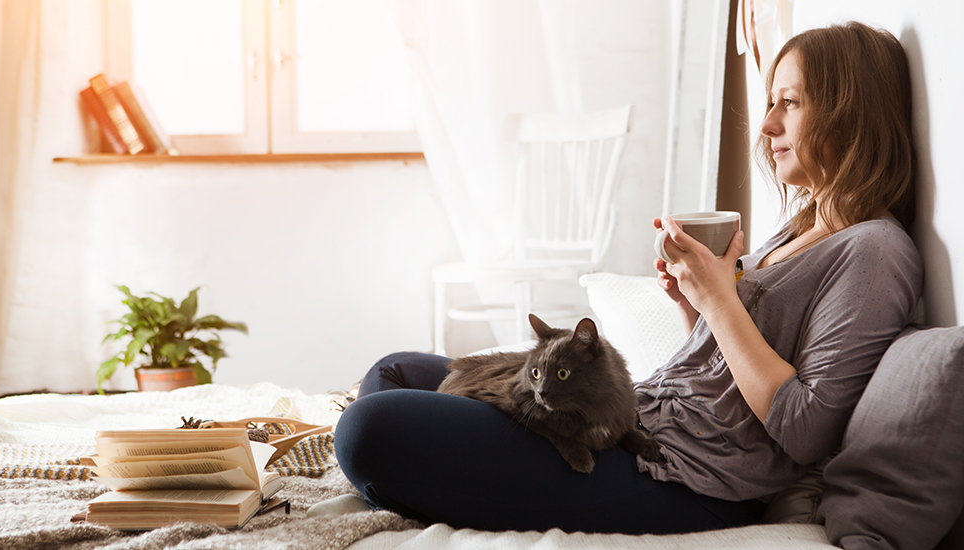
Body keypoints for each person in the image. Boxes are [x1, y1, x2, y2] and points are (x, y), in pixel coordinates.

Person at [328, 21, 923, 535]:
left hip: (680, 474)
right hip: (634, 415)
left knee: (367, 428)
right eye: (772, 102)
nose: (767, 124)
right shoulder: (801, 226)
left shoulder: (875, 250)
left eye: (789, 103)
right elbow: (723, 365)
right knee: (394, 372)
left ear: (850, 113)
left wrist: (720, 301)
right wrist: (694, 300)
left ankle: (420, 480)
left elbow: (803, 427)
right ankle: (428, 478)